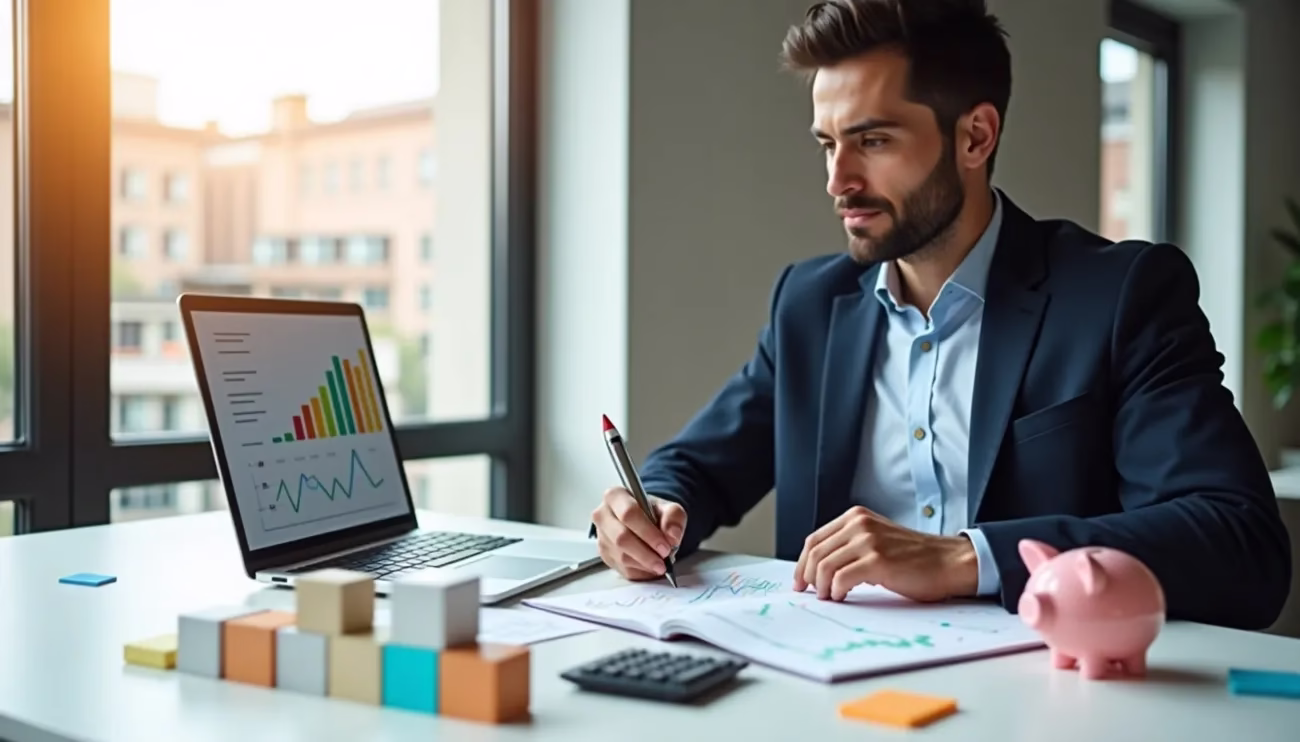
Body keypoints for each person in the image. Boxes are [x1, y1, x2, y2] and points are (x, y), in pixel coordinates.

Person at [587, 0, 1293, 630]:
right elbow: (699, 465)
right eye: (828, 144)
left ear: (976, 137)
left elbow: (1240, 547)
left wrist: (966, 559)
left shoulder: (1120, 296)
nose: (838, 181)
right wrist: (651, 512)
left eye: (872, 141)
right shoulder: (809, 305)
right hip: (823, 700)